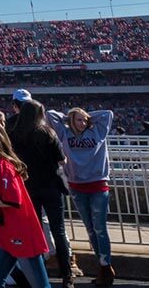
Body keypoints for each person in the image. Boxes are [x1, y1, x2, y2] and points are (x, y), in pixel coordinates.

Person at [0, 119, 52, 288]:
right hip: (5, 231)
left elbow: (12, 199)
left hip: (20, 231)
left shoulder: (3, 165)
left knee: (40, 284)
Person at [8, 100, 76, 286]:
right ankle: (67, 275)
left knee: (34, 233)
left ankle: (38, 273)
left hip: (29, 188)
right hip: (51, 188)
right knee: (58, 231)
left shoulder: (15, 135)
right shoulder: (47, 133)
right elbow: (61, 161)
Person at [47, 107, 117, 286]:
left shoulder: (97, 133)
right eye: (79, 120)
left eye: (84, 120)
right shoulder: (64, 134)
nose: (83, 123)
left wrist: (86, 116)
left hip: (98, 186)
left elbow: (108, 114)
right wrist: (69, 117)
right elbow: (50, 115)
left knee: (100, 228)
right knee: (91, 229)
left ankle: (106, 265)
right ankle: (102, 266)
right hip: (77, 188)